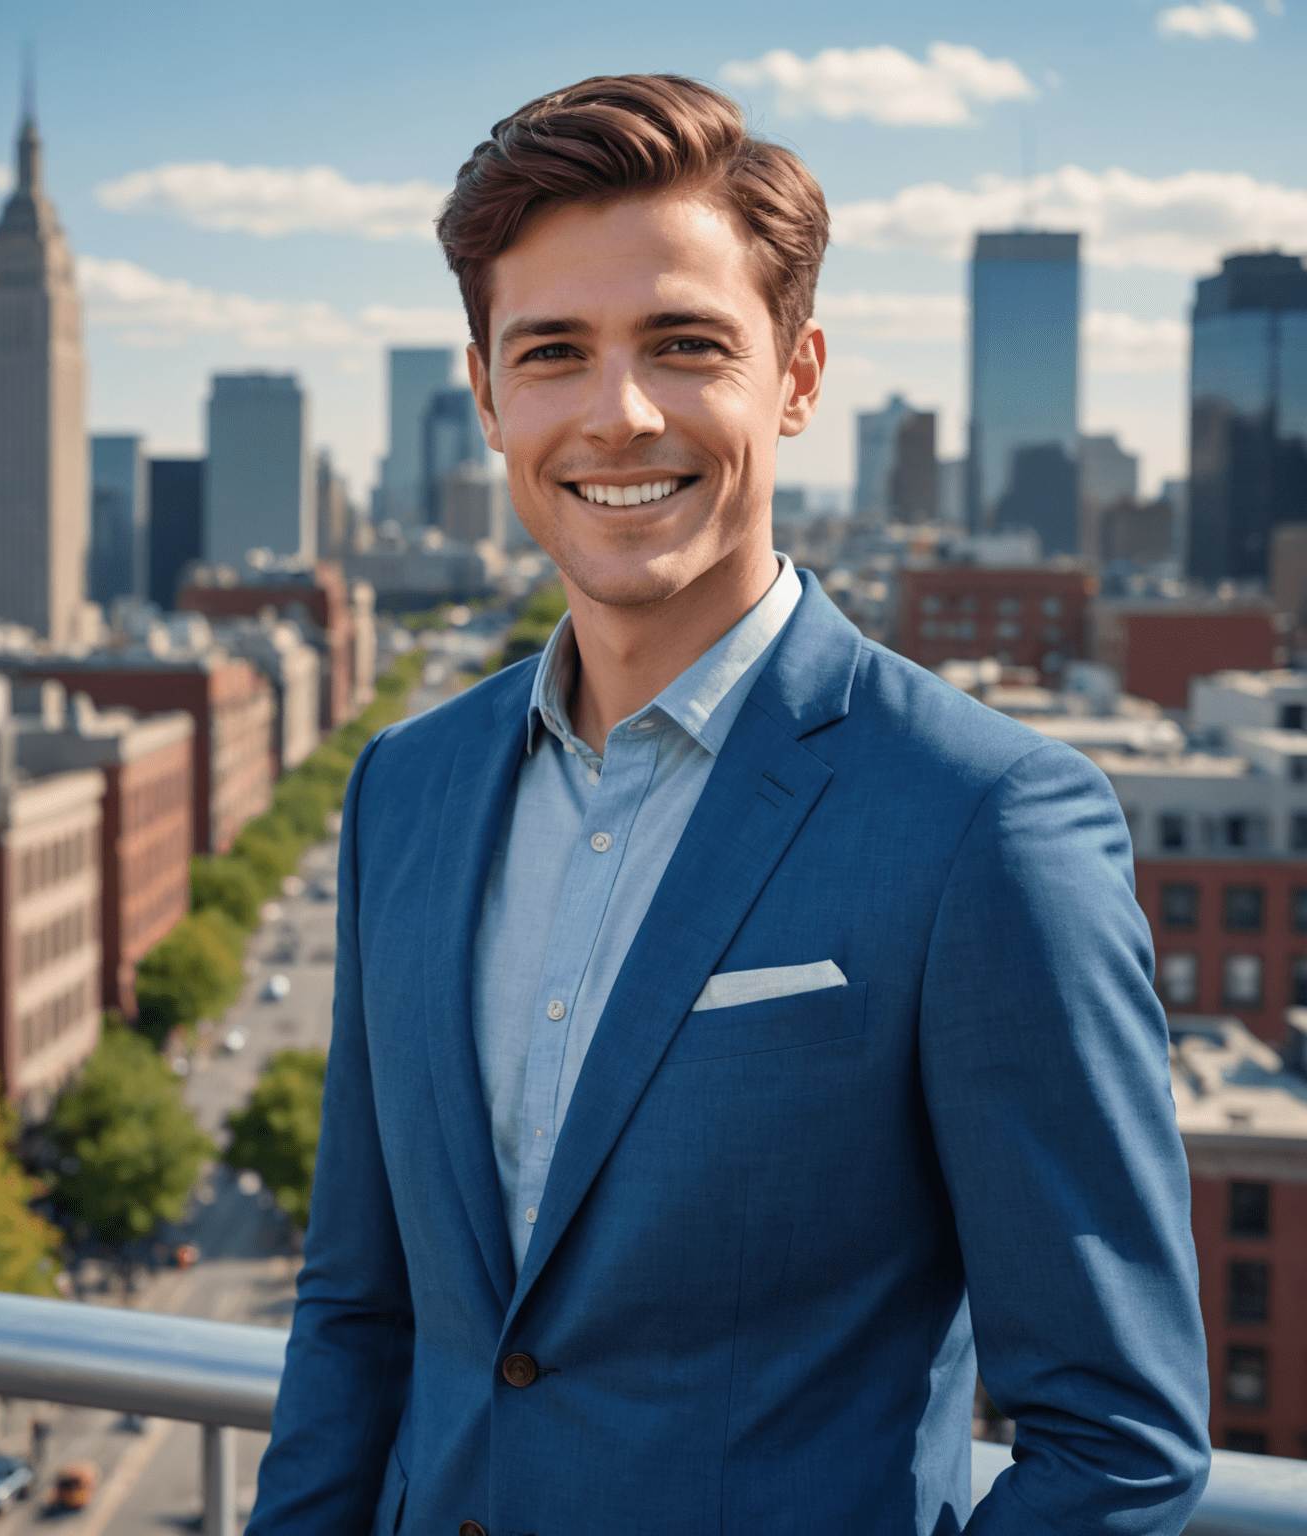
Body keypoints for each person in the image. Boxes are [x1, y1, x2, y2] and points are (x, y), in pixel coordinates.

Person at [245, 75, 1209, 1535]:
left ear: (797, 376)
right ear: (491, 393)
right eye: (553, 352)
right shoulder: (407, 788)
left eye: (686, 346)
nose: (618, 414)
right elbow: (359, 1312)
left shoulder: (986, 822)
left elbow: (1119, 1439)